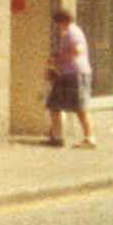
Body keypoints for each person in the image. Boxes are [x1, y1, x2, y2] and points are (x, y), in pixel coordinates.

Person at [46, 10, 96, 148]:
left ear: (62, 21)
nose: (57, 26)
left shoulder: (73, 32)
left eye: (57, 23)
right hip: (67, 73)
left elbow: (77, 50)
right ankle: (57, 136)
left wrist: (59, 58)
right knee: (54, 104)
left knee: (80, 107)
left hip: (75, 73)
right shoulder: (68, 32)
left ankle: (89, 137)